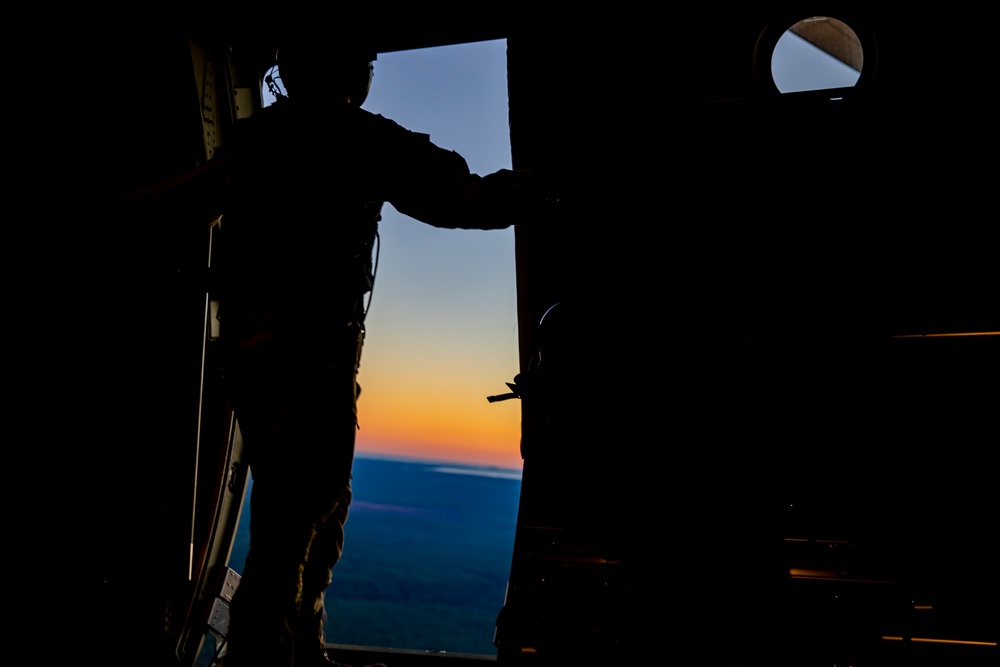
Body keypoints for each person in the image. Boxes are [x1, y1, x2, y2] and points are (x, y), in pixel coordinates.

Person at [215, 31, 546, 667]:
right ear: (351, 70)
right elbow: (462, 198)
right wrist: (548, 186)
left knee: (308, 510)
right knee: (297, 520)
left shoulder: (259, 139)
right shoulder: (353, 137)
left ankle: (296, 648)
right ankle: (262, 656)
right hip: (310, 362)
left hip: (259, 358)